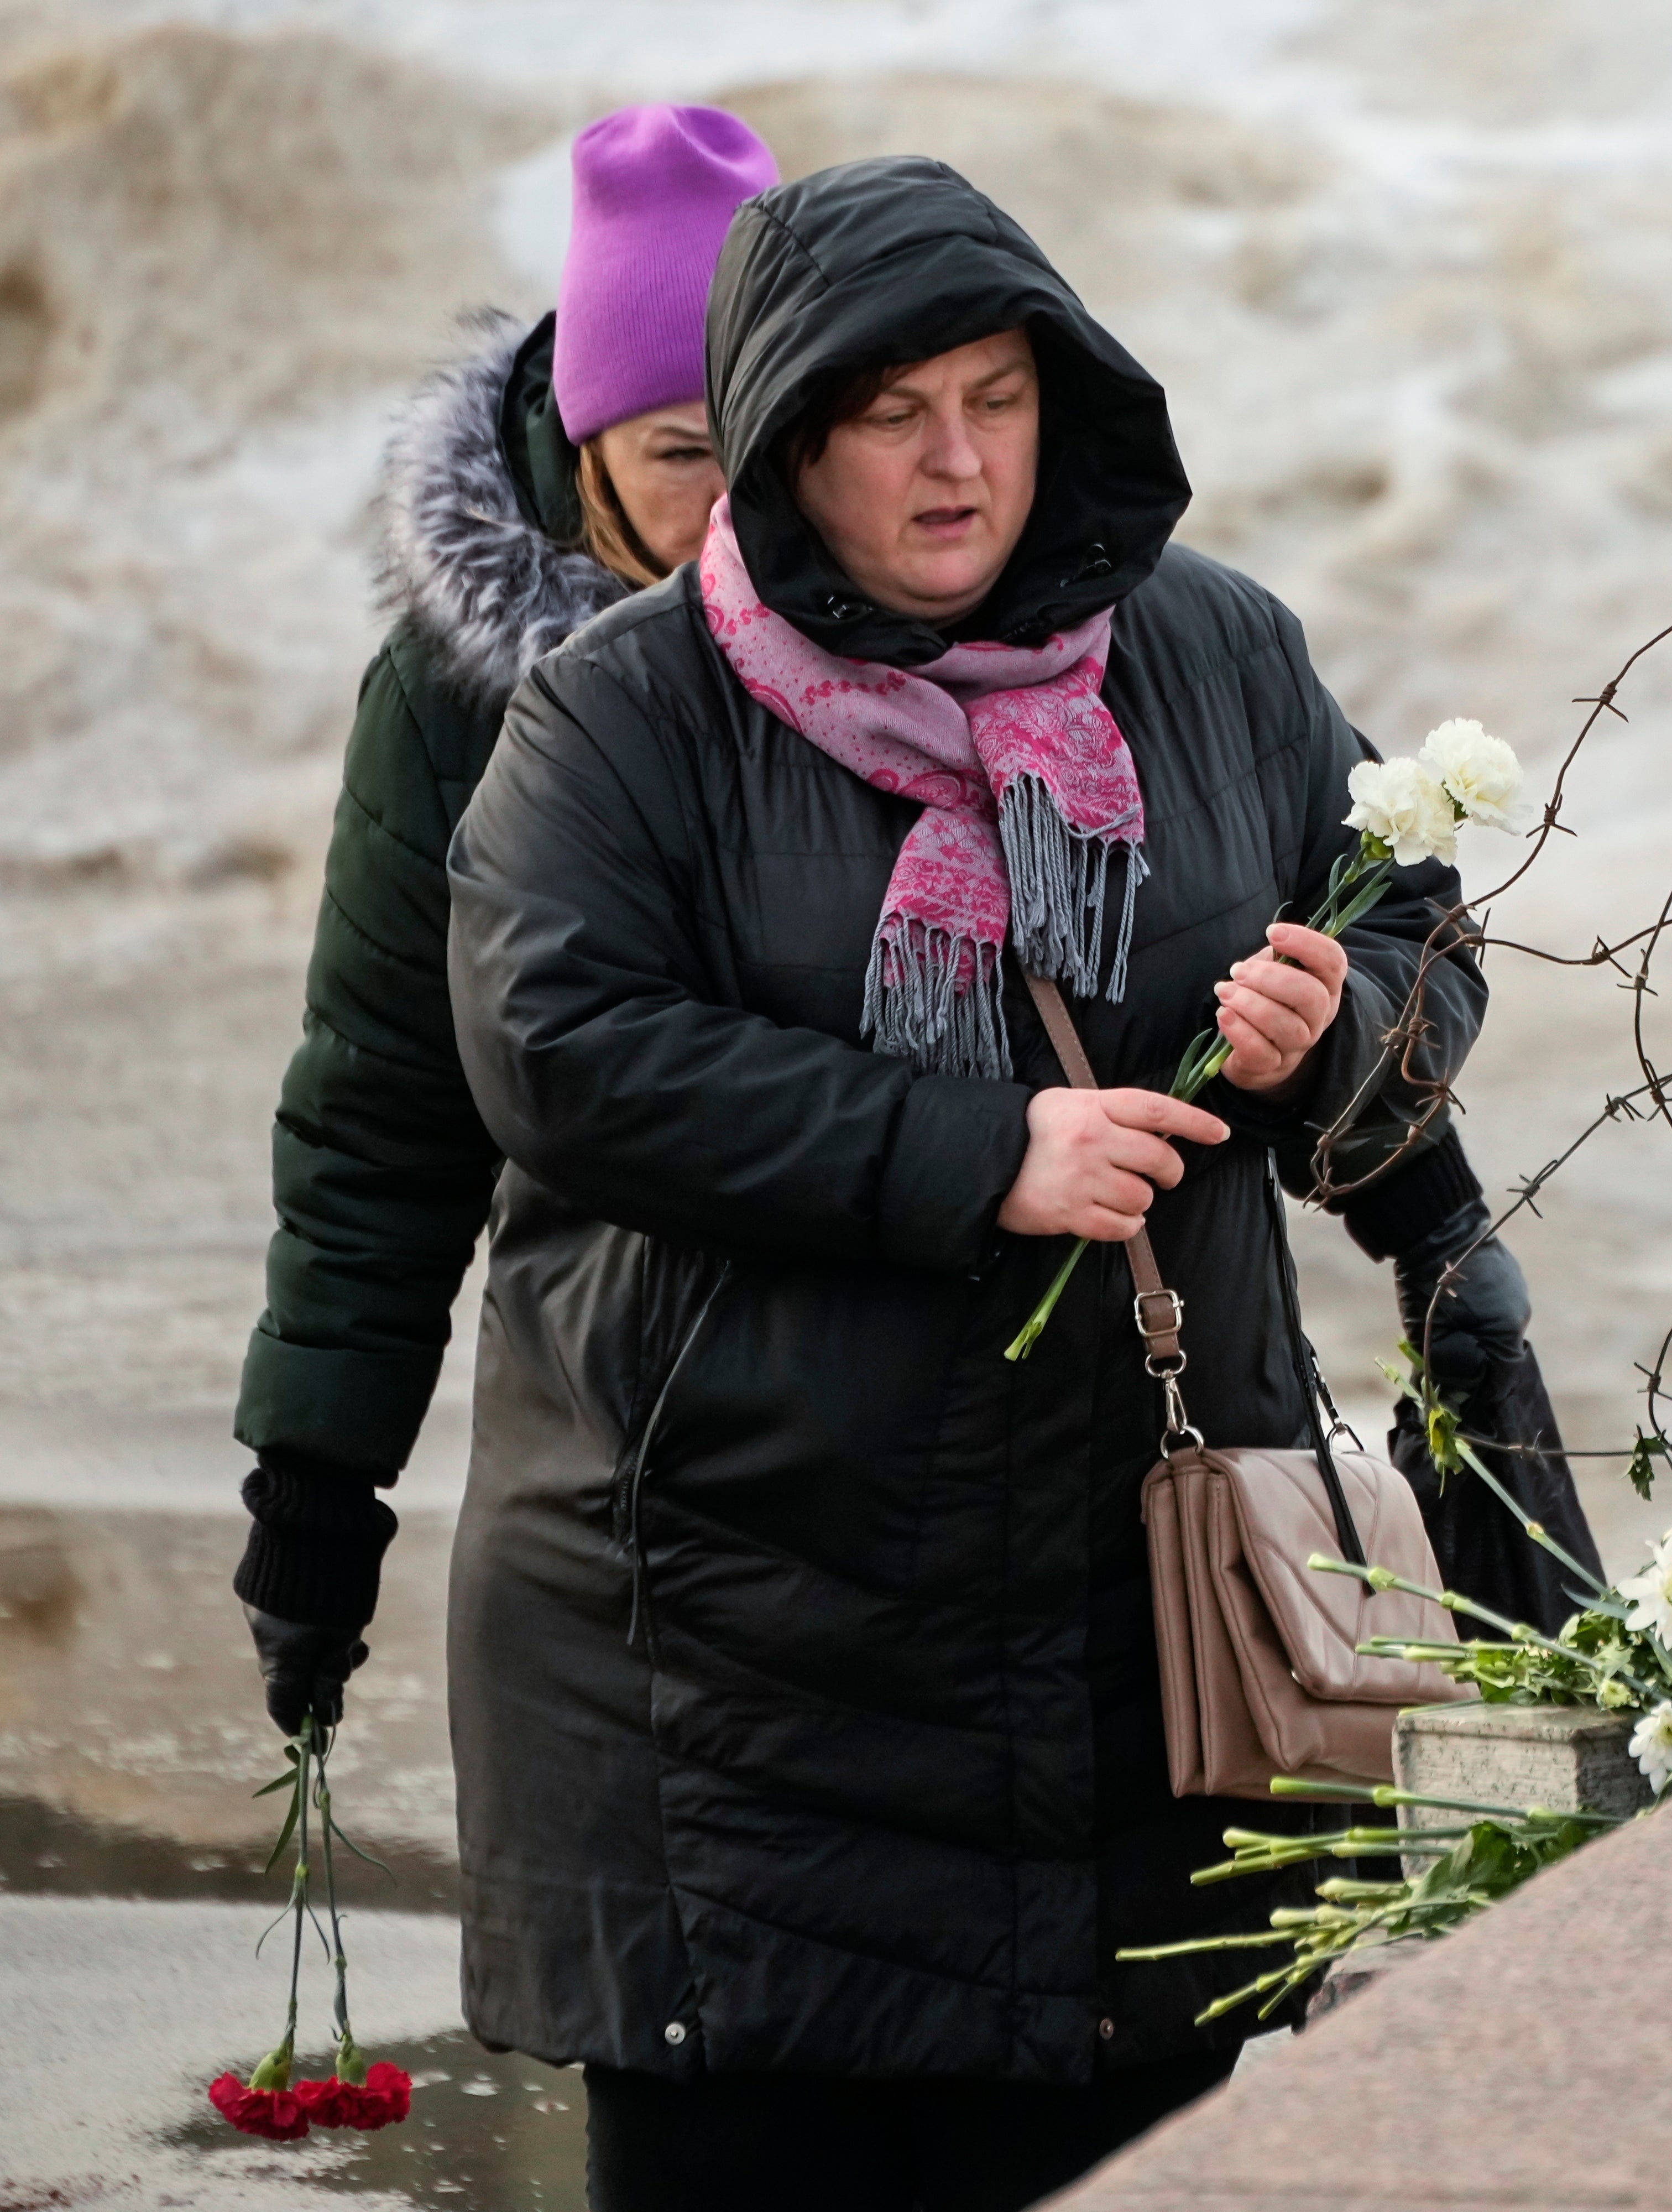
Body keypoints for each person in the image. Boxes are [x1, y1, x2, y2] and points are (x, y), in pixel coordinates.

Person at [440, 157, 1485, 2209]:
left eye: (997, 399)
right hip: (739, 1667)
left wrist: (1334, 1024)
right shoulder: (627, 711)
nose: (958, 461)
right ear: (781, 436)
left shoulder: (1215, 655)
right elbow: (554, 1052)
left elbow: (1420, 934)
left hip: (1143, 1650)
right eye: (890, 412)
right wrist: (976, 1151)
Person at [230, 104, 778, 1731]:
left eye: (768, 435)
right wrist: (319, 1480)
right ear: (582, 435)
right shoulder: (458, 698)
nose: (736, 506)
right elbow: (384, 1097)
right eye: (683, 454)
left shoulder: (897, 620)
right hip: (608, 1411)